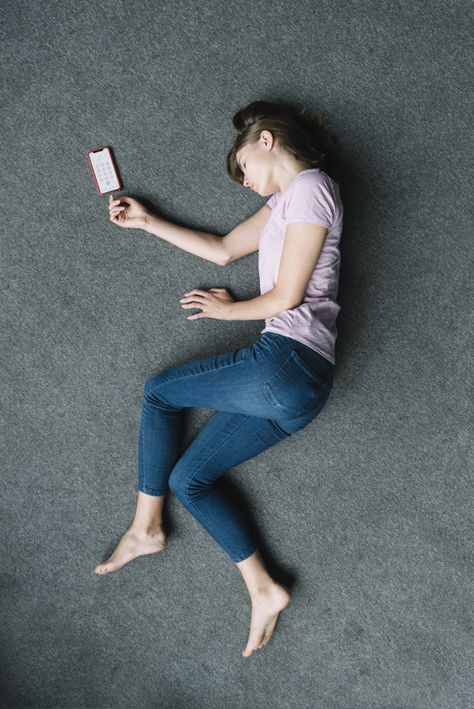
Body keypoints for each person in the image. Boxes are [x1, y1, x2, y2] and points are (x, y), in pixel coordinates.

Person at [94, 99, 344, 658]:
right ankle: (264, 587)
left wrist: (228, 313)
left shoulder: (311, 188)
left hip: (288, 359)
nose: (245, 181)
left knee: (159, 392)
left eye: (243, 168)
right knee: (190, 480)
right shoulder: (286, 202)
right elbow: (224, 249)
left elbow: (289, 296)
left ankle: (144, 527)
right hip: (301, 391)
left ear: (266, 140)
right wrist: (145, 221)